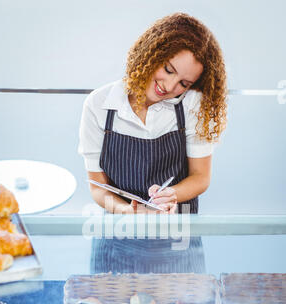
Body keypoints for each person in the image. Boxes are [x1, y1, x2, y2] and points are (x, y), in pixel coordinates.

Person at [78, 12, 227, 214]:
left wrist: (171, 195)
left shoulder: (192, 105)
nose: (169, 86)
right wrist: (129, 212)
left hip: (176, 230)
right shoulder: (98, 104)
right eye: (168, 69)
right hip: (119, 228)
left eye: (184, 83)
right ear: (152, 53)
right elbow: (97, 188)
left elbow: (200, 177)